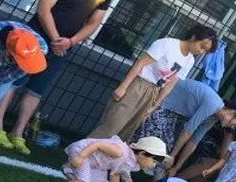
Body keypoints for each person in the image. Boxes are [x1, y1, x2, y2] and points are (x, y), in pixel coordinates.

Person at [0, 0, 132, 155]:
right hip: (34, 39)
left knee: (36, 90)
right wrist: (56, 39)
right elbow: (43, 9)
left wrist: (70, 42)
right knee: (12, 81)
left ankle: (17, 133)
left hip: (63, 49)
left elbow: (94, 23)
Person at [88, 24, 217, 142]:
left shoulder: (189, 60)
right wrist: (123, 86)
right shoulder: (167, 44)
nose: (201, 51)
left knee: (126, 133)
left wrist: (155, 105)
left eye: (205, 51)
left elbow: (171, 84)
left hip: (154, 91)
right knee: (111, 125)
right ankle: (80, 154)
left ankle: (99, 159)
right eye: (202, 46)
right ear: (194, 37)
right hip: (139, 83)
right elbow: (141, 63)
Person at [133, 79, 236, 177]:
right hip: (163, 103)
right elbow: (187, 131)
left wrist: (176, 167)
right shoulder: (213, 104)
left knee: (164, 150)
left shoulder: (214, 117)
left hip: (172, 113)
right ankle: (130, 167)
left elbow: (194, 141)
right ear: (233, 112)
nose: (232, 127)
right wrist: (172, 157)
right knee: (159, 148)